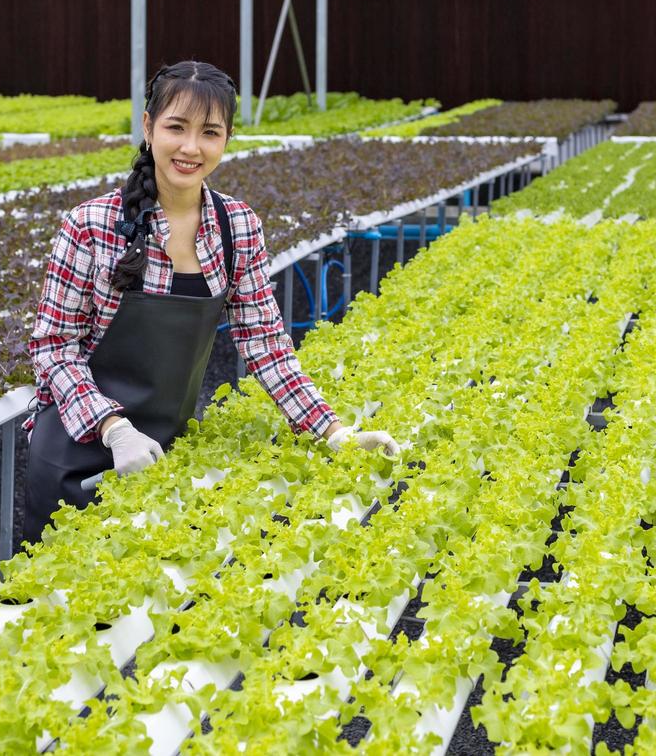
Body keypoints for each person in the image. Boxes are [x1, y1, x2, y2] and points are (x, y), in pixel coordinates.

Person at [22, 60, 399, 544]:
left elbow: (265, 343)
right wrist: (113, 428)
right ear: (148, 126)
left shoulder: (236, 227)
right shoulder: (92, 224)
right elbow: (53, 347)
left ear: (228, 138)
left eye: (210, 132)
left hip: (163, 449)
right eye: (176, 127)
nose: (191, 147)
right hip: (75, 451)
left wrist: (334, 432)